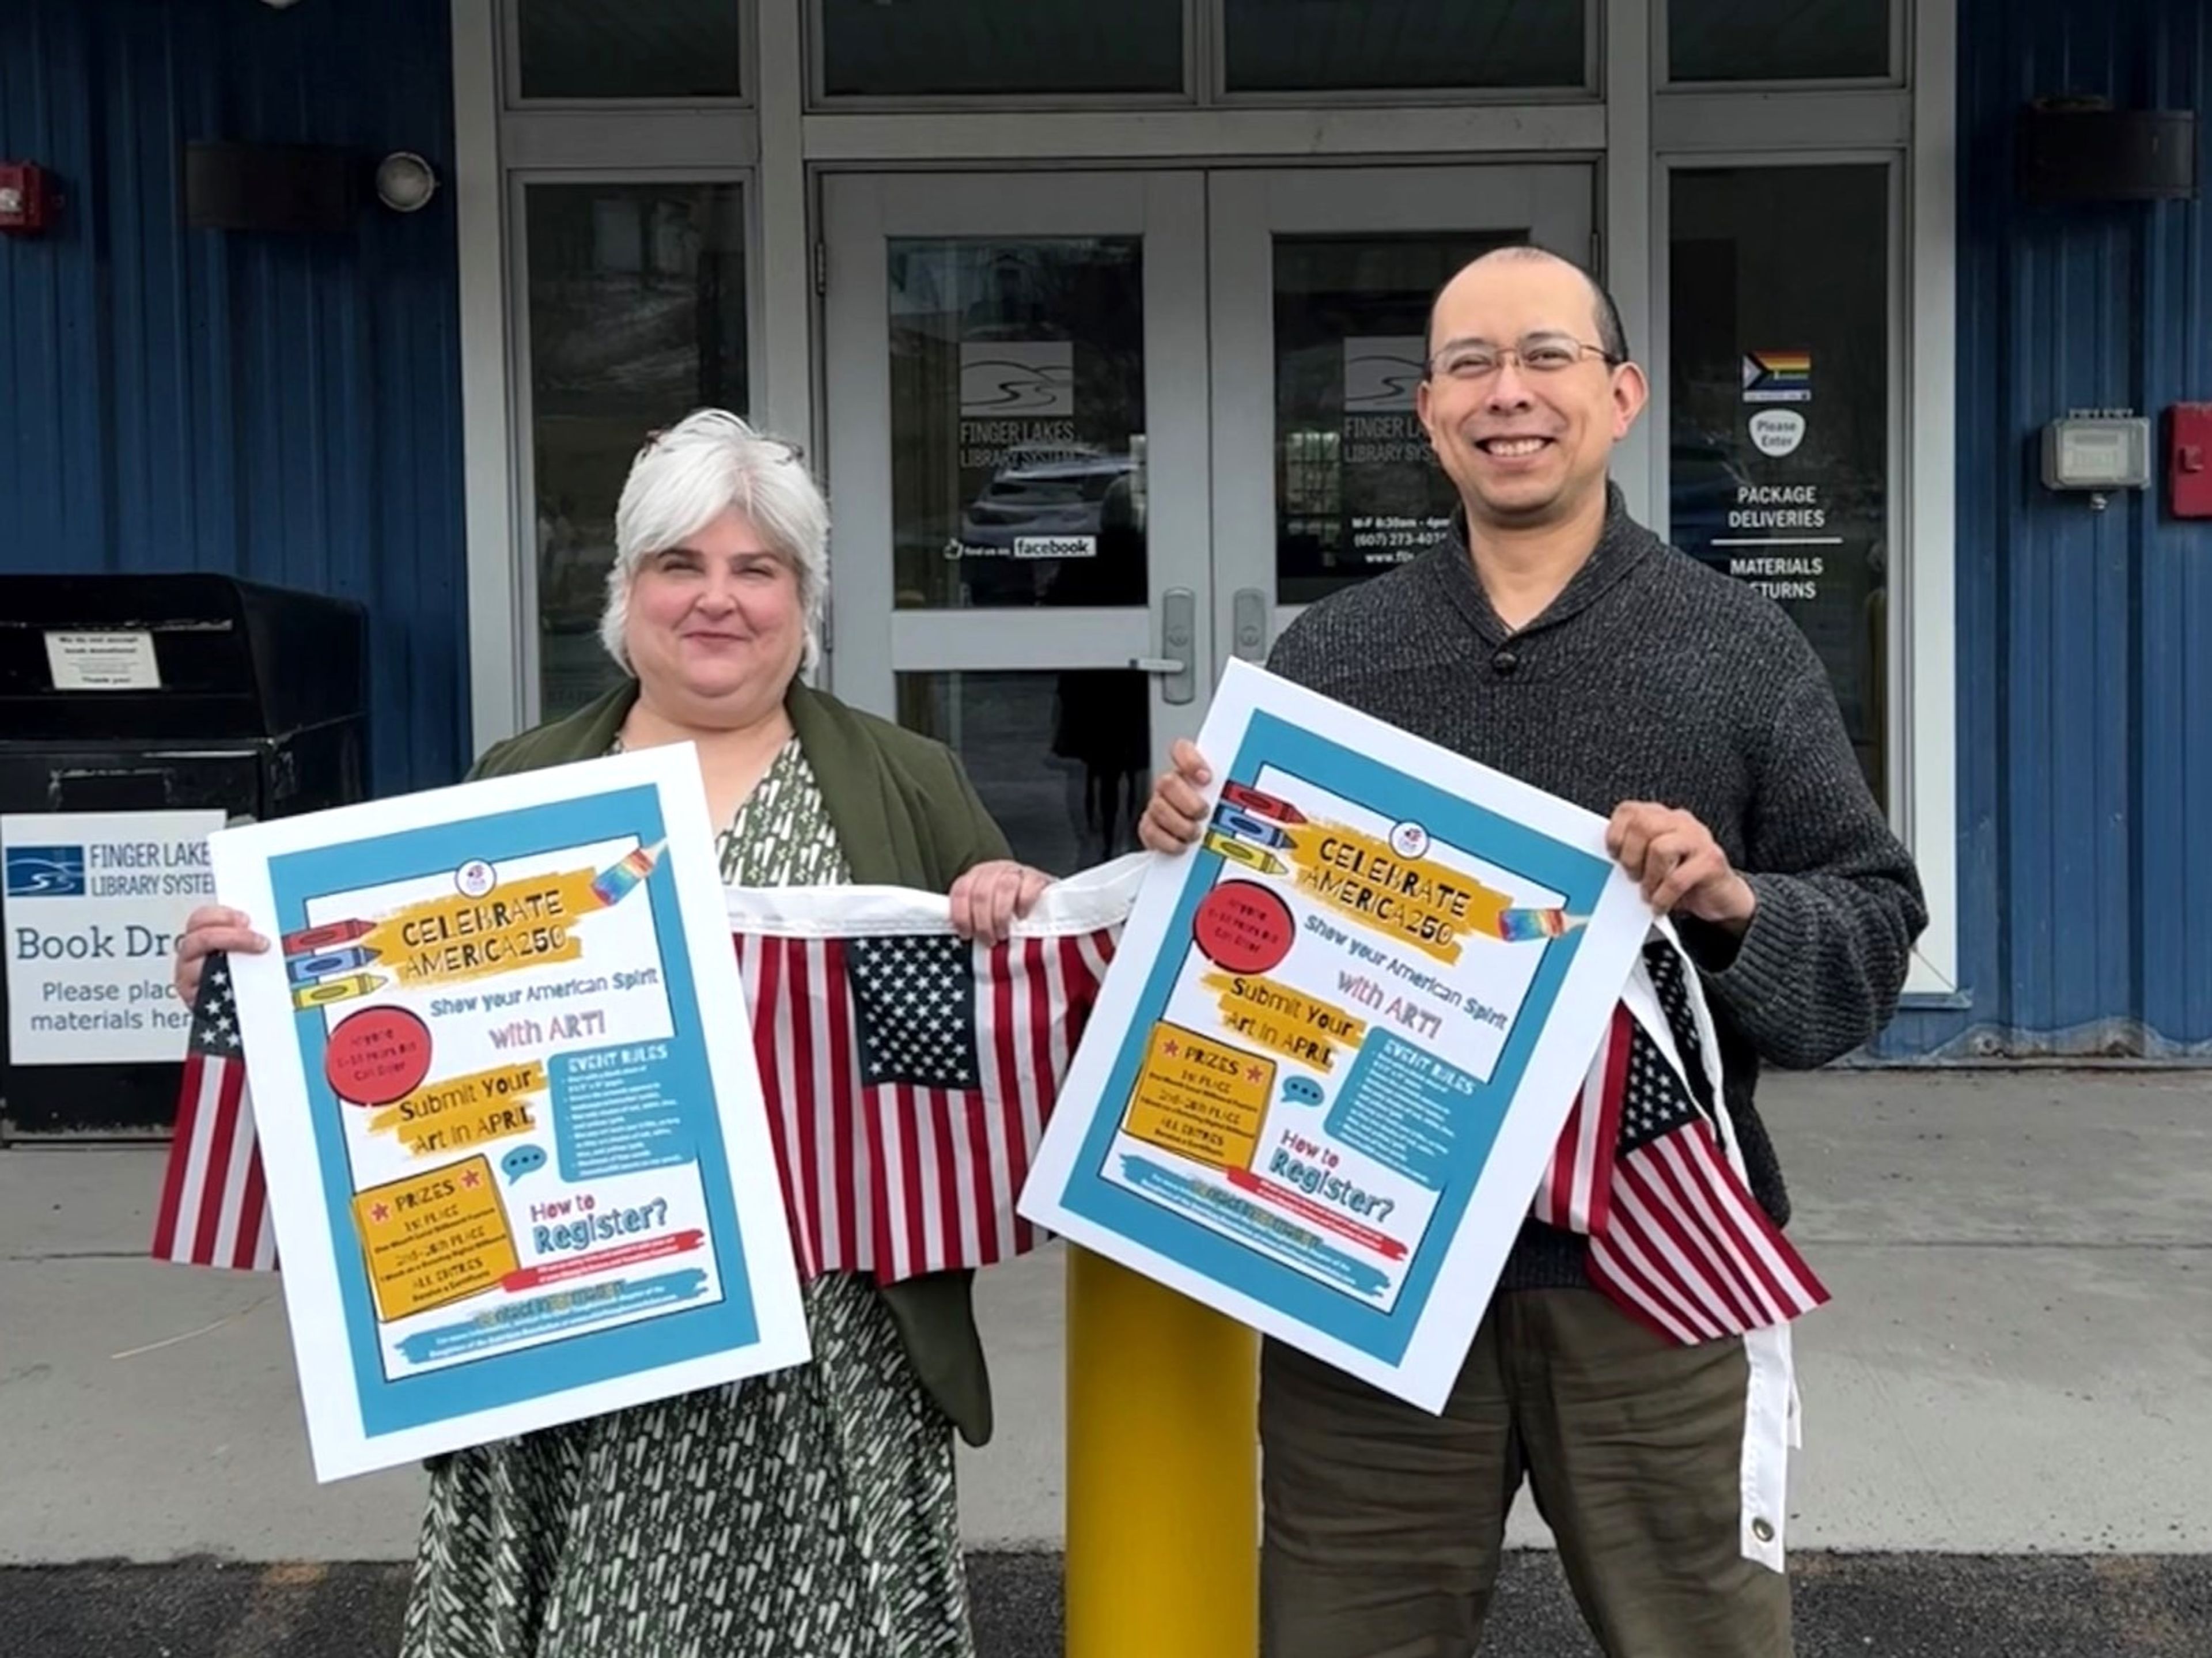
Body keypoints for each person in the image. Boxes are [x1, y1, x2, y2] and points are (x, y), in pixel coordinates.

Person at [1139, 248, 1927, 1658]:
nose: (1511, 393)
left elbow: (1868, 932)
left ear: (1621, 395)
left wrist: (1735, 902)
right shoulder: (1334, 662)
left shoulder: (1739, 650)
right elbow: (1239, 962)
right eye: (1470, 366)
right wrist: (1183, 847)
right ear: (1432, 417)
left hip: (1646, 1281)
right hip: (1361, 1271)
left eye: (1548, 357)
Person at [173, 408, 1050, 1658]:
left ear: (805, 598)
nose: (718, 600)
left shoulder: (908, 780)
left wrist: (1012, 912)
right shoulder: (519, 782)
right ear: (625, 589)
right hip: (569, 1344)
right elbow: (396, 1032)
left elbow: (993, 1043)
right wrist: (249, 975)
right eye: (678, 565)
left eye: (758, 568)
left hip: (831, 1355)